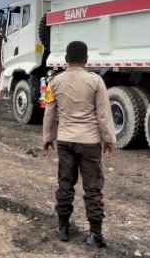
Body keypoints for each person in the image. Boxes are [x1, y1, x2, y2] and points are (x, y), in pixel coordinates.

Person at [41, 41, 116, 248]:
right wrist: (109, 139)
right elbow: (103, 114)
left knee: (65, 183)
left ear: (65, 60)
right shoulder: (96, 81)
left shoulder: (55, 82)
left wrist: (48, 137)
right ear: (86, 60)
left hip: (65, 141)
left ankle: (63, 228)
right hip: (90, 142)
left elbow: (49, 112)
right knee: (93, 188)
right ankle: (95, 234)